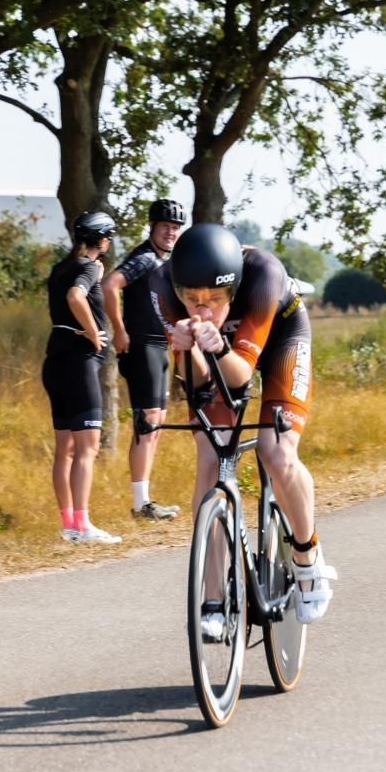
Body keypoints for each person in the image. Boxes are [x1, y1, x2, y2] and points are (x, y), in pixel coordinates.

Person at [151, 222, 337, 631]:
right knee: (209, 457)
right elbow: (200, 383)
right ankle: (214, 599)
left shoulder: (262, 275)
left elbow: (237, 377)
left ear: (232, 290)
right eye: (192, 299)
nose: (203, 309)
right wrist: (189, 347)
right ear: (178, 290)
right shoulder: (162, 284)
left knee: (276, 451)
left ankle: (308, 558)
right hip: (219, 353)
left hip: (279, 340)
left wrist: (215, 344)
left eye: (215, 299)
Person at [102, 198, 186, 521]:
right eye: (166, 227)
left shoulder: (167, 259)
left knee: (157, 424)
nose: (170, 232)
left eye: (176, 228)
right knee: (147, 422)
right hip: (142, 346)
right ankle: (140, 505)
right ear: (152, 227)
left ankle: (145, 500)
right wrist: (119, 331)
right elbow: (110, 285)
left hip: (159, 346)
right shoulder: (144, 258)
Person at [42, 211, 122, 545]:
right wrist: (94, 333)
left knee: (65, 450)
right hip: (79, 363)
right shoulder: (89, 266)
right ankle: (84, 525)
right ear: (102, 239)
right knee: (88, 447)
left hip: (55, 361)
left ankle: (69, 526)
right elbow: (76, 297)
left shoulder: (60, 267)